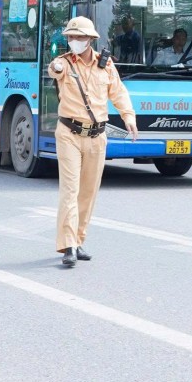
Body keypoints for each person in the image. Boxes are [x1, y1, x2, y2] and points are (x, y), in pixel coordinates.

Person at [47, 16, 139, 267]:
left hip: (97, 136)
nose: (74, 41)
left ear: (90, 39)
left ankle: (77, 240)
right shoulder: (64, 63)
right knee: (70, 190)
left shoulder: (106, 65)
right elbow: (53, 69)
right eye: (71, 37)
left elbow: (118, 92)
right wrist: (54, 68)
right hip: (69, 134)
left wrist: (128, 117)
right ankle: (67, 246)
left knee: (88, 192)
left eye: (79, 37)